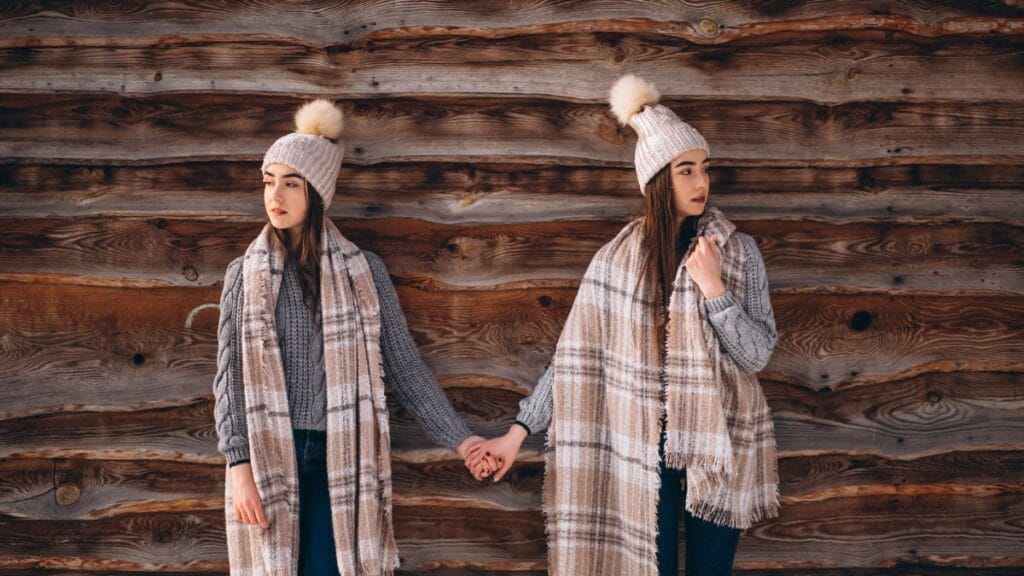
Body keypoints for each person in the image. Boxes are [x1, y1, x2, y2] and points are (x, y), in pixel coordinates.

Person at [466, 75, 781, 575]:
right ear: (659, 180)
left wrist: (714, 289)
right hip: (637, 449)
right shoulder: (615, 264)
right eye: (685, 171)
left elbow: (757, 354)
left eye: (704, 169)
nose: (701, 183)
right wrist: (517, 432)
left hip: (721, 446)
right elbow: (574, 360)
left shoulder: (737, 254)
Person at [213, 99, 492, 575]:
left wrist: (462, 440)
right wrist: (240, 468)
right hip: (267, 455)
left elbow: (405, 369)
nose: (275, 195)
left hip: (339, 458)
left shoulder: (364, 273)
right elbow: (230, 380)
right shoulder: (244, 275)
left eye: (291, 183)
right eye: (269, 181)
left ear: (316, 193)